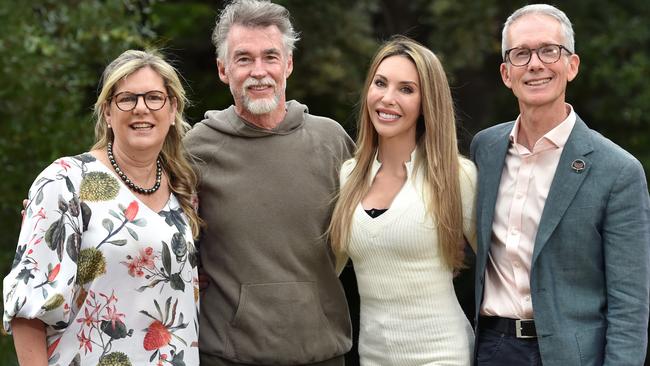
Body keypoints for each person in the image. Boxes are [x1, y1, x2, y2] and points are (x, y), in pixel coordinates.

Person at [471, 4, 650, 365]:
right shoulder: (484, 149)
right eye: (521, 54)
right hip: (493, 350)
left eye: (548, 50)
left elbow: (630, 303)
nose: (535, 64)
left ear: (572, 65)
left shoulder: (619, 170)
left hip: (575, 356)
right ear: (506, 73)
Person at [3, 49, 201, 366]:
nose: (141, 108)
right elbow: (29, 309)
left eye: (154, 97)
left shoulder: (184, 191)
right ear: (107, 111)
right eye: (127, 99)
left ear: (172, 108)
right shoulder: (65, 182)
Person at [184, 0, 354, 365]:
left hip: (322, 354)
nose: (258, 71)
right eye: (244, 59)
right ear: (223, 69)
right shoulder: (196, 149)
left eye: (270, 57)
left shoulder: (331, 140)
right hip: (228, 356)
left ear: (288, 64)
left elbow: (378, 223)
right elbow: (140, 213)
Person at [328, 36, 477, 365]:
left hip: (444, 355)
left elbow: (502, 270)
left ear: (428, 102)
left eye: (406, 89)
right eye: (380, 83)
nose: (388, 98)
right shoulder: (348, 175)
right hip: (373, 357)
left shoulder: (456, 175)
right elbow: (324, 270)